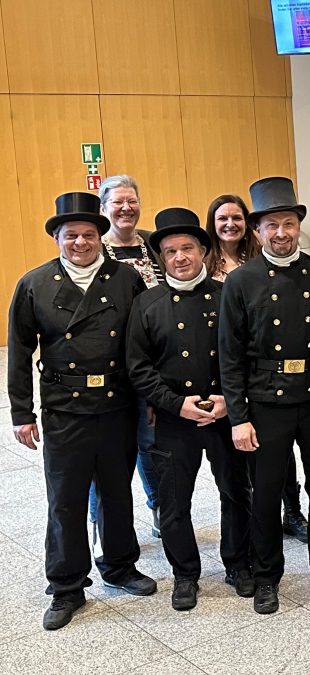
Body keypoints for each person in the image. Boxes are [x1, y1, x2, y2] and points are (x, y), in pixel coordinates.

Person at [8, 192, 157, 631]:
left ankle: (119, 566)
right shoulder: (34, 283)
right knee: (66, 500)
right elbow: (19, 351)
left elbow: (142, 347)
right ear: (57, 238)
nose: (80, 242)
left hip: (117, 404)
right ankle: (67, 586)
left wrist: (148, 401)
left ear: (100, 236)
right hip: (63, 410)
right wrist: (21, 412)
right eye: (70, 235)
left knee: (116, 491)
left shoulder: (125, 280)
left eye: (88, 234)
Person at [219, 177, 310, 615]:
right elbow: (230, 357)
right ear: (257, 230)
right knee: (266, 492)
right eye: (271, 224)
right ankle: (267, 575)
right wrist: (238, 418)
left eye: (288, 223)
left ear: (299, 226)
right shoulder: (241, 282)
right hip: (264, 401)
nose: (280, 233)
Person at [127, 208, 253, 610]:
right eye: (170, 252)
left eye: (187, 248)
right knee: (173, 502)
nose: (180, 257)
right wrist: (174, 404)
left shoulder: (228, 293)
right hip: (173, 418)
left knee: (236, 493)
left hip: (223, 415)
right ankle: (185, 574)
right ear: (161, 258)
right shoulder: (146, 303)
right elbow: (137, 366)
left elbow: (248, 354)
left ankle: (237, 564)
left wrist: (228, 402)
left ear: (202, 250)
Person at [205, 194, 309, 544]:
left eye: (236, 217)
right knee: (244, 462)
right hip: (232, 372)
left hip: (274, 376)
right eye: (223, 219)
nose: (230, 224)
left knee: (278, 454)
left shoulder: (263, 257)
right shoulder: (202, 265)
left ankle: (291, 510)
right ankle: (249, 527)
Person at [94, 175, 161, 537]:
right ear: (104, 208)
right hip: (111, 364)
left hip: (154, 362)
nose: (126, 208)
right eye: (117, 202)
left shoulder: (154, 244)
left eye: (131, 201)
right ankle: (101, 522)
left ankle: (159, 508)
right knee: (106, 450)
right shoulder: (93, 248)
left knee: (151, 441)